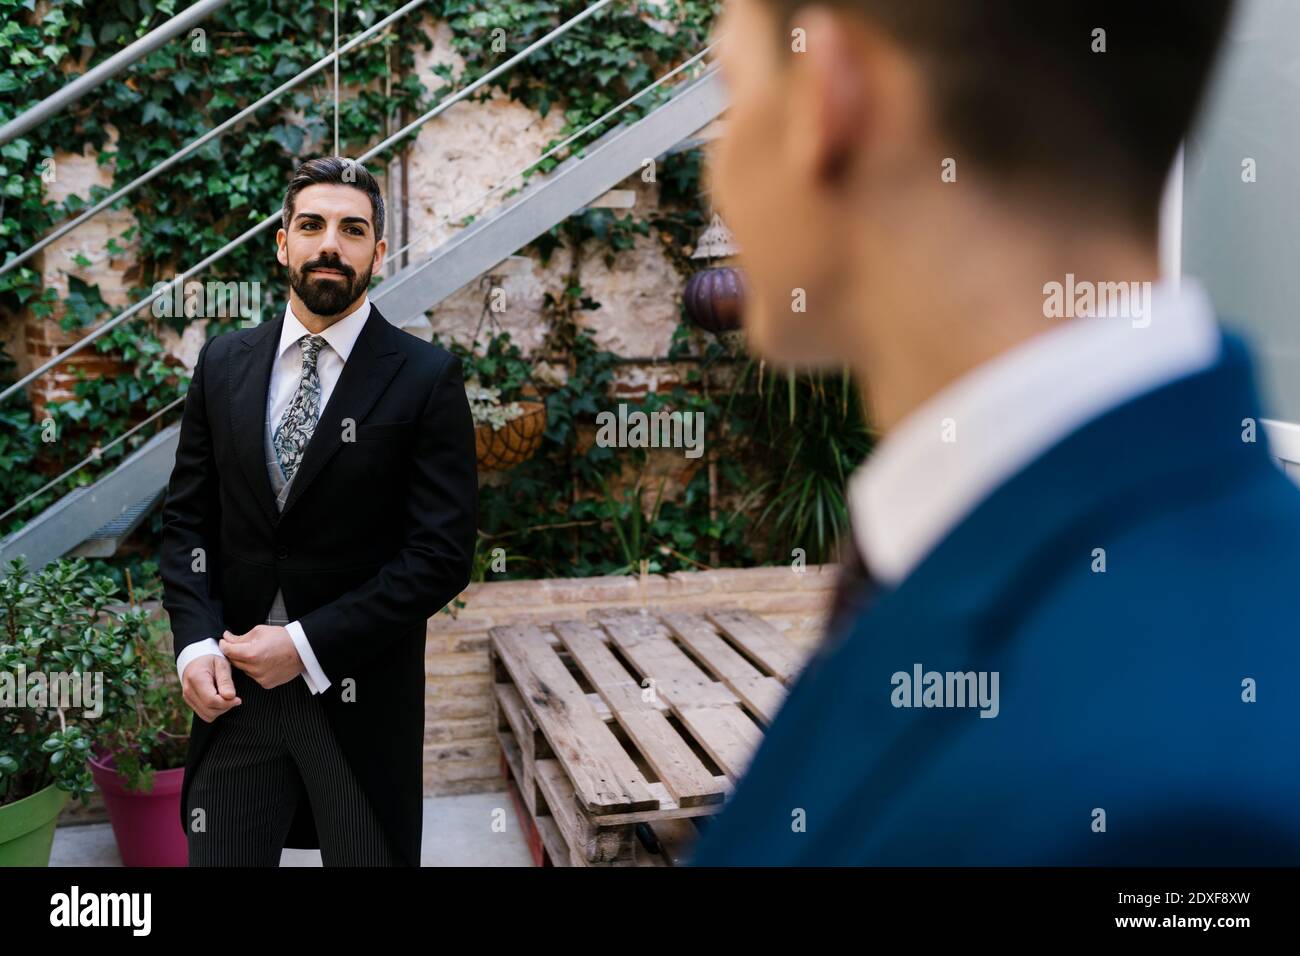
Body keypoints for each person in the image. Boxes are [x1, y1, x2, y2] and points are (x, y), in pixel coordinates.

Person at [688, 0, 1300, 864]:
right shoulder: (1002, 554)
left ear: (830, 89)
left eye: (731, 88)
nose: (715, 170)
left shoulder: (1181, 815)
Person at [160, 157, 477, 866]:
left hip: (358, 706)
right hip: (234, 699)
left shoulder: (426, 378)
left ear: (379, 253)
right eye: (312, 225)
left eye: (352, 228)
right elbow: (187, 524)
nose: (330, 243)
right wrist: (194, 645)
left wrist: (304, 645)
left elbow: (440, 557)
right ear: (283, 243)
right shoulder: (222, 364)